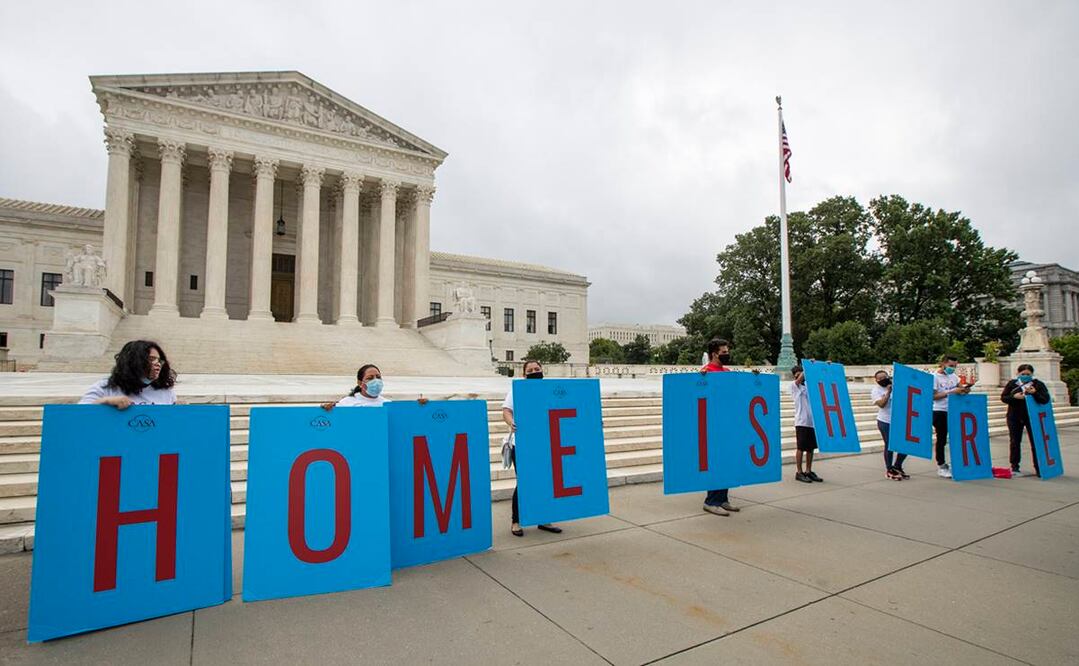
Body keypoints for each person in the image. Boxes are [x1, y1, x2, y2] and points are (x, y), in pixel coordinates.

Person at [503, 359, 562, 537]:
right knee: (524, 482)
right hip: (522, 444)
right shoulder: (517, 390)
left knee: (546, 481)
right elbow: (506, 410)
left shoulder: (549, 391)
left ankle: (543, 519)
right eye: (530, 370)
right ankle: (516, 521)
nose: (535, 371)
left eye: (537, 368)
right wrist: (511, 422)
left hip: (545, 443)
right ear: (524, 374)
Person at [700, 338, 741, 515]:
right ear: (714, 354)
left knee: (727, 462)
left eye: (727, 351)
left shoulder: (727, 371)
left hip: (727, 424)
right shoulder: (706, 372)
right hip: (714, 425)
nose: (727, 355)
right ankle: (711, 500)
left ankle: (723, 499)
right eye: (724, 352)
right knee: (716, 463)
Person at [79, 340, 176, 408]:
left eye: (159, 360)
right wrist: (106, 401)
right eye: (151, 359)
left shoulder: (165, 391)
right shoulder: (104, 387)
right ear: (133, 361)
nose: (158, 364)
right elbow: (78, 414)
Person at [1001, 363, 1051, 477]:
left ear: (1032, 374)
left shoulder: (1038, 385)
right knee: (1014, 441)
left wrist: (1035, 393)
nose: (1025, 376)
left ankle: (1039, 467)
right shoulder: (1012, 384)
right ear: (1018, 373)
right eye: (1023, 374)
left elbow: (1045, 399)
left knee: (1035, 442)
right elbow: (1004, 397)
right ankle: (1014, 466)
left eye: (1028, 374)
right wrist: (1014, 397)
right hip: (1014, 417)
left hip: (1032, 417)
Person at [932, 355, 970, 478]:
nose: (953, 369)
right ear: (943, 364)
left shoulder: (953, 376)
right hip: (939, 410)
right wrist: (950, 392)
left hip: (954, 409)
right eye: (950, 366)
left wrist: (964, 390)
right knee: (941, 438)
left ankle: (957, 462)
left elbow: (959, 386)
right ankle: (941, 465)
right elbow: (933, 396)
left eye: (955, 366)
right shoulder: (934, 377)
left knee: (957, 437)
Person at [872, 369, 908, 480]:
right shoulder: (876, 390)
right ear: (876, 381)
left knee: (905, 445)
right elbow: (882, 404)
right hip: (885, 421)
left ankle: (897, 466)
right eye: (880, 379)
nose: (884, 380)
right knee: (889, 445)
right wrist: (888, 392)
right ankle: (889, 469)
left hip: (899, 420)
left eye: (885, 377)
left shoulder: (898, 386)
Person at [790, 365, 822, 483]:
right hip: (801, 421)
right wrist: (807, 367)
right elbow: (798, 381)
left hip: (812, 422)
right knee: (801, 447)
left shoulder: (809, 386)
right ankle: (799, 472)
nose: (801, 375)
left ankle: (808, 471)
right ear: (795, 375)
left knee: (811, 448)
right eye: (798, 373)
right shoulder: (794, 386)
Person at [321, 364, 390, 409]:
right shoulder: (346, 403)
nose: (376, 381)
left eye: (378, 377)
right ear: (360, 383)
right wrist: (328, 409)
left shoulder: (388, 404)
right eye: (370, 378)